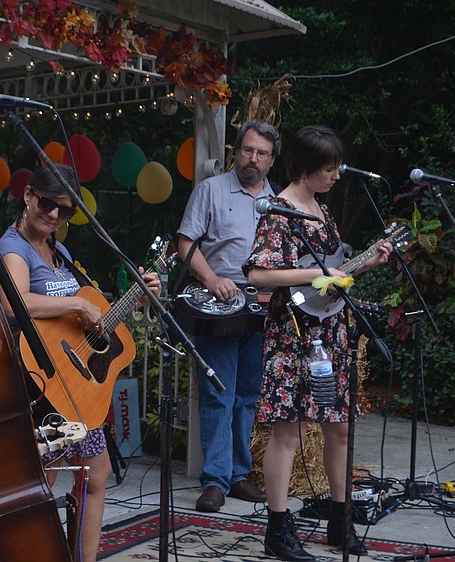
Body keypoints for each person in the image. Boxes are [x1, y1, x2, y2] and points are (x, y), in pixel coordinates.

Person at [0, 163, 160, 562]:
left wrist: (134, 300)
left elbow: (86, 322)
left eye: (65, 211)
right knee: (42, 485)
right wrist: (75, 303)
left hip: (75, 388)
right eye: (48, 203)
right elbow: (11, 302)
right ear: (29, 195)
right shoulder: (13, 247)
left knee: (95, 475)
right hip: (41, 388)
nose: (53, 215)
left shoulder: (58, 251)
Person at [243, 125, 391, 561]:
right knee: (290, 431)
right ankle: (277, 527)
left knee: (340, 427)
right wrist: (313, 275)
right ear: (307, 168)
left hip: (331, 331)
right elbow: (258, 274)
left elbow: (330, 277)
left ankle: (340, 522)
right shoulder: (279, 210)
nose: (337, 176)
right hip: (292, 333)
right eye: (329, 169)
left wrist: (362, 265)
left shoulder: (322, 212)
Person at [177, 119, 281, 512]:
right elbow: (185, 241)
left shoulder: (278, 200)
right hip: (219, 306)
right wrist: (211, 277)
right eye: (248, 150)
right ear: (236, 151)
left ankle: (238, 475)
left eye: (262, 153)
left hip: (265, 308)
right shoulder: (212, 190)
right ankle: (215, 480)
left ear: (272, 160)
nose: (253, 158)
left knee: (248, 395)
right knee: (219, 393)